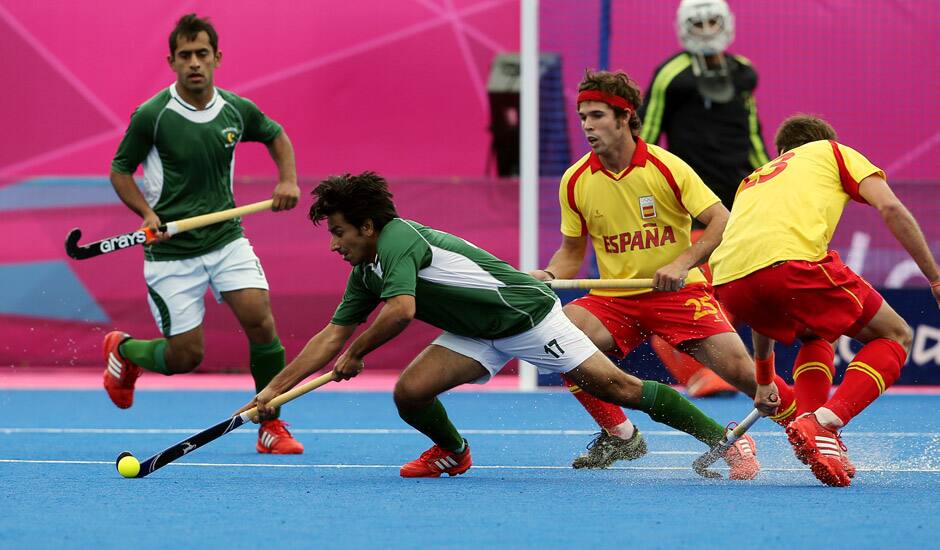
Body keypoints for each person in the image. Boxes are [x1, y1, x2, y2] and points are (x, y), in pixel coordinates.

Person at [241, 172, 762, 479]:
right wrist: (271, 392)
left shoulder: (398, 239)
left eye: (338, 233)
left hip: (526, 316)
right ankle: (454, 453)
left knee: (618, 386)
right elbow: (330, 337)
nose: (334, 244)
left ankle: (727, 442)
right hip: (475, 331)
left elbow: (398, 312)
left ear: (368, 226)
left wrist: (356, 355)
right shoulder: (365, 267)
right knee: (410, 393)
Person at [531, 69, 793, 469]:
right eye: (583, 116)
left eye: (597, 115)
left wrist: (682, 262)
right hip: (614, 300)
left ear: (624, 117)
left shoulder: (667, 166)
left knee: (748, 374)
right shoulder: (574, 181)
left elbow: (721, 220)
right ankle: (620, 435)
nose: (587, 125)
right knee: (560, 341)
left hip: (680, 294)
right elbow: (570, 252)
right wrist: (549, 276)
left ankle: (813, 433)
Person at [102, 14, 304, 454]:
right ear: (172, 61)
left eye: (202, 54)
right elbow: (120, 169)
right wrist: (146, 212)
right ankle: (126, 350)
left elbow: (276, 135)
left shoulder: (234, 109)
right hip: (171, 253)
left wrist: (287, 179)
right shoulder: (153, 115)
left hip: (226, 238)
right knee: (185, 358)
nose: (195, 63)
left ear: (216, 58)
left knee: (261, 320)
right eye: (185, 55)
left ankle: (270, 425)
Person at [710, 114, 940, 487]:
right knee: (895, 335)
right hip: (790, 267)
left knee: (815, 334)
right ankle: (825, 422)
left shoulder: (753, 180)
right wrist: (934, 276)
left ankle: (817, 435)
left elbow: (760, 286)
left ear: (781, 152)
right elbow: (892, 208)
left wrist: (765, 378)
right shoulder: (831, 151)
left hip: (730, 284)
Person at [638, 0, 773, 397]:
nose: (707, 28)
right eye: (698, 22)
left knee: (737, 291)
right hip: (690, 210)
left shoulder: (744, 72)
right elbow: (646, 135)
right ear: (684, 27)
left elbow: (752, 135)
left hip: (739, 207)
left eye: (713, 20)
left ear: (727, 23)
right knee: (683, 297)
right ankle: (702, 374)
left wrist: (769, 184)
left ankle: (737, 374)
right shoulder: (670, 75)